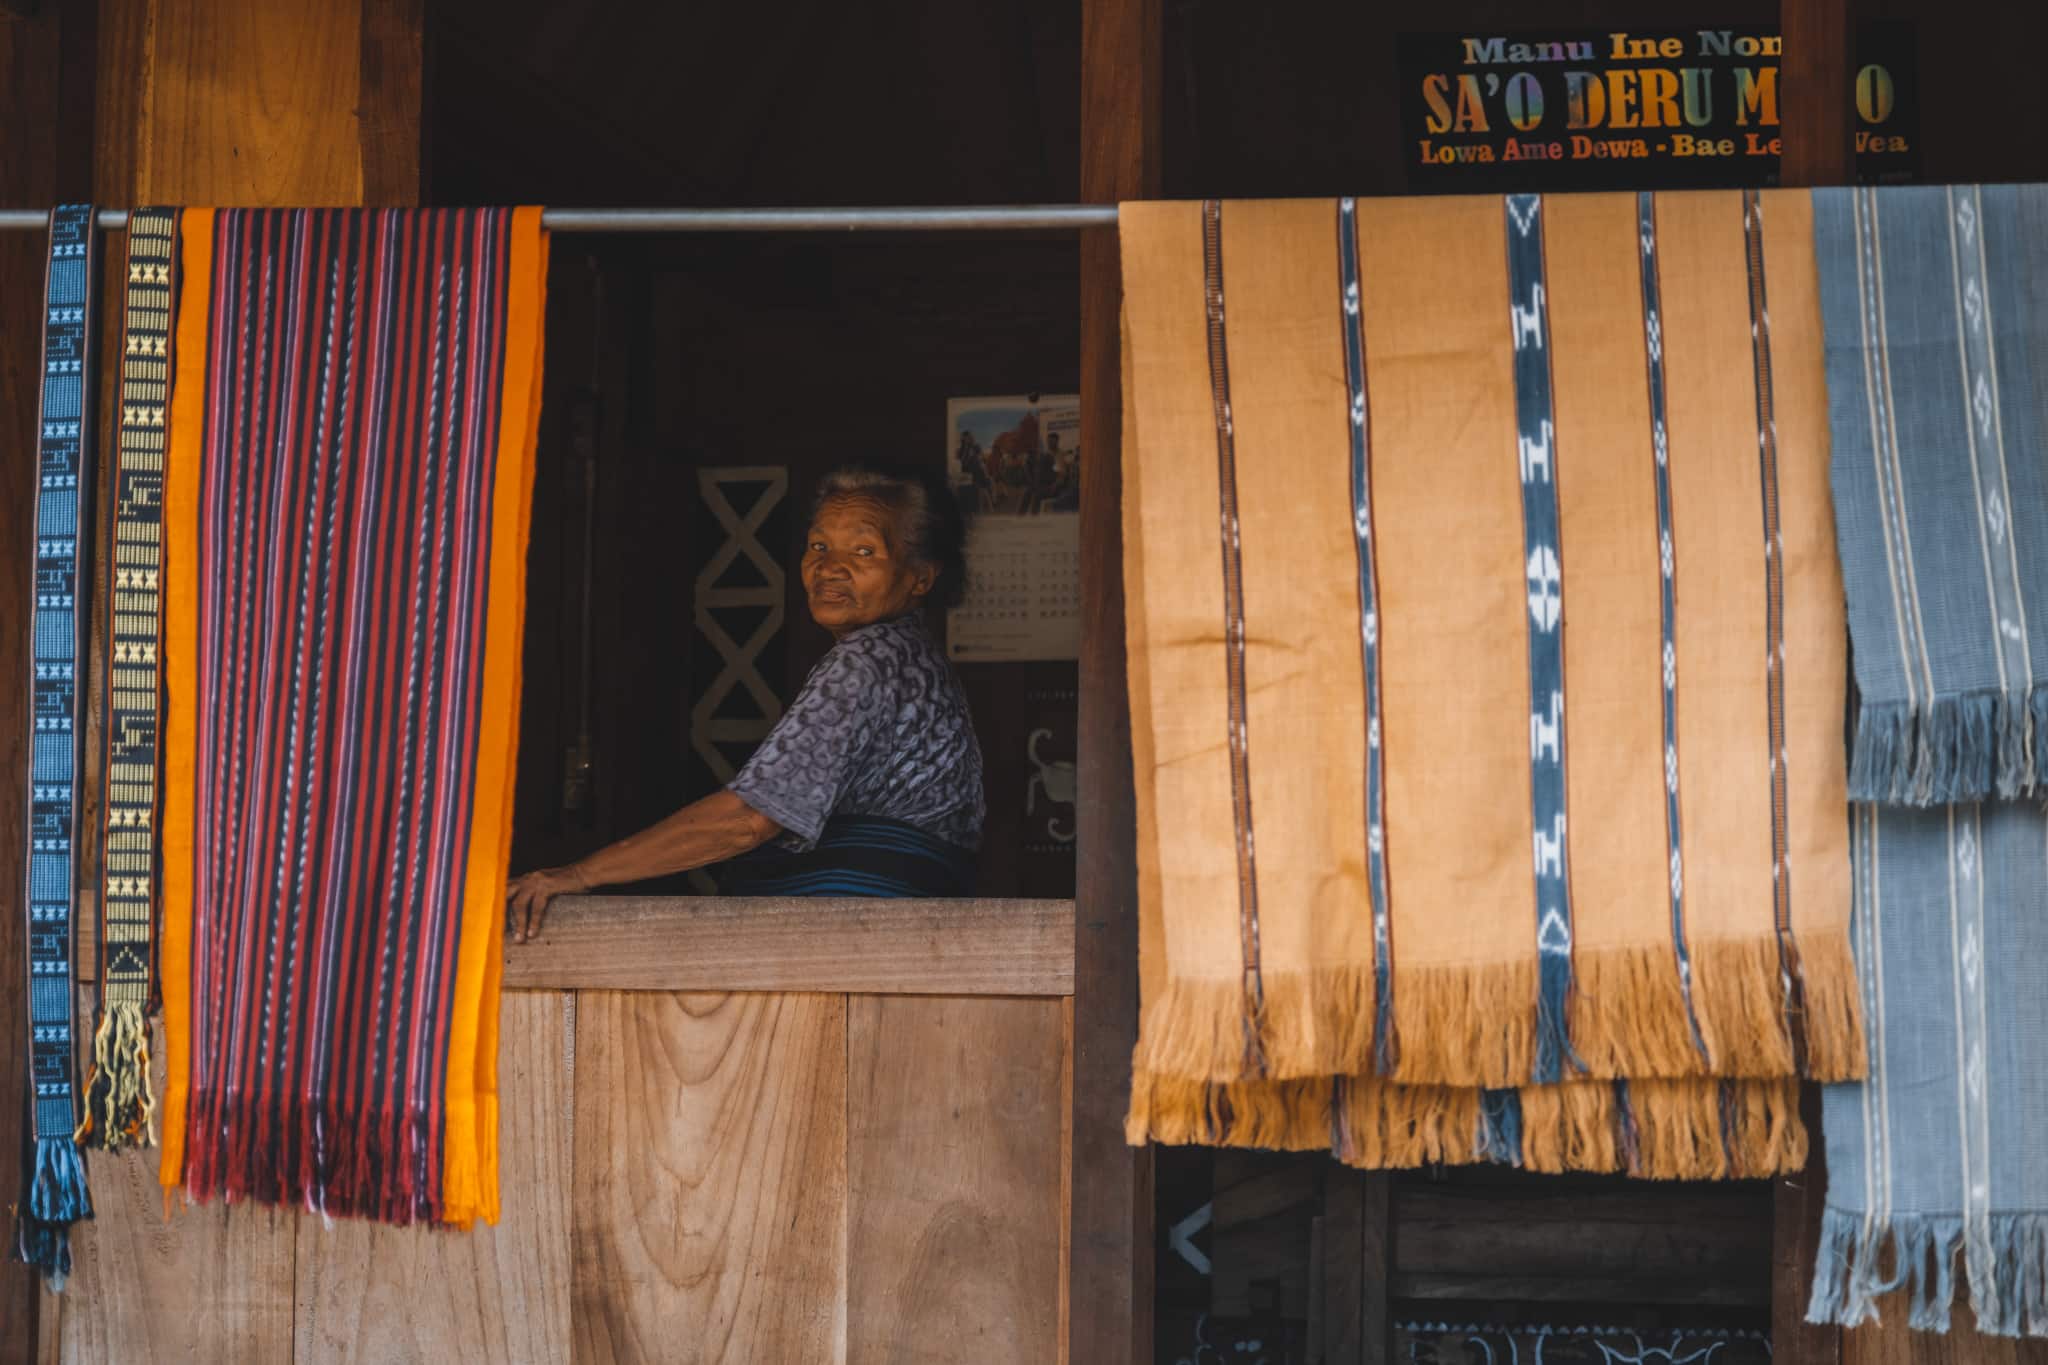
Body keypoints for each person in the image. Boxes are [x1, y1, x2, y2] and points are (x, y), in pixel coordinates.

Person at [506, 463, 986, 941]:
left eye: (864, 551)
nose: (828, 567)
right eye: (818, 546)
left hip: (863, 933)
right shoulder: (915, 654)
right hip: (909, 930)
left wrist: (576, 875)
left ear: (920, 577)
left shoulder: (865, 663)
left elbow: (748, 821)